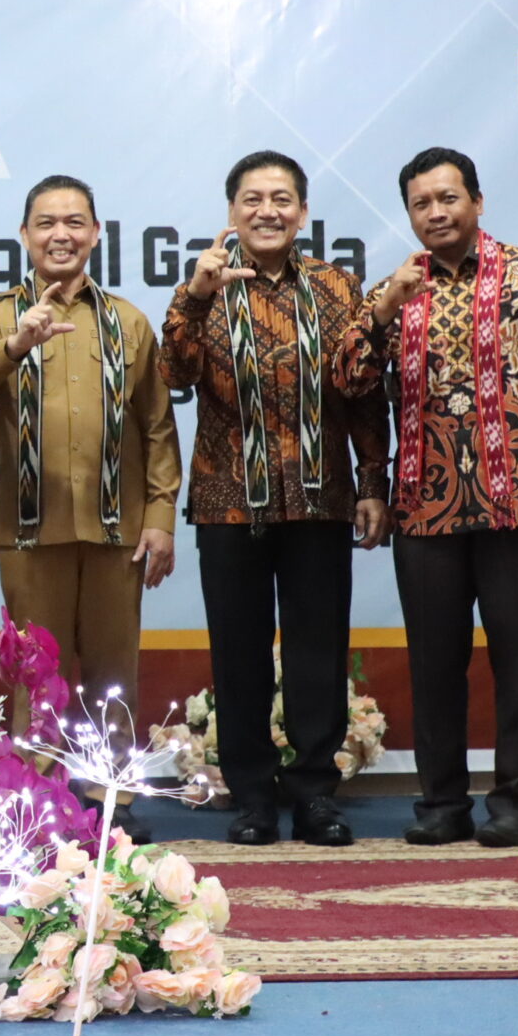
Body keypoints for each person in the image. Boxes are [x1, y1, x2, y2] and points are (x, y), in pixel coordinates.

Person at [336, 146, 518, 849]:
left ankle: (514, 804)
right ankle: (441, 802)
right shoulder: (395, 289)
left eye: (449, 198)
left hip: (516, 505)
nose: (436, 213)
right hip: (422, 508)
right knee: (434, 664)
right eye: (422, 204)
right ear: (409, 215)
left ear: (478, 201)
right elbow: (351, 383)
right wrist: (382, 308)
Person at [160, 152, 390, 848]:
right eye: (253, 198)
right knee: (239, 653)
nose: (268, 210)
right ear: (232, 211)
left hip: (319, 498)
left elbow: (361, 388)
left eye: (282, 198)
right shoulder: (202, 285)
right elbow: (171, 374)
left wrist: (373, 479)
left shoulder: (333, 286)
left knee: (319, 650)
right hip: (229, 500)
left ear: (303, 212)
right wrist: (196, 298)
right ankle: (253, 795)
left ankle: (316, 793)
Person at [0, 174, 177, 840]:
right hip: (30, 529)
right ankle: (36, 801)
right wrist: (18, 342)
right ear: (25, 234)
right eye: (47, 221)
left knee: (115, 669)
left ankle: (113, 802)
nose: (61, 233)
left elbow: (158, 427)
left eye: (75, 221)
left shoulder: (130, 322)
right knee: (37, 674)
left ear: (96, 234)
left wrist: (161, 517)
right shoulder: (0, 314)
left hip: (117, 531)